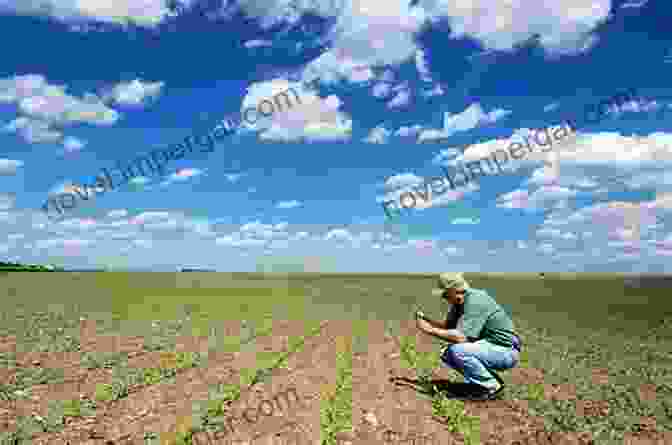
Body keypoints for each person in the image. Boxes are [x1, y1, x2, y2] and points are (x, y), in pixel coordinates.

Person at [415, 272, 522, 400]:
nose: (443, 297)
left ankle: (491, 387)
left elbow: (460, 337)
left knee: (458, 351)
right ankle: (487, 382)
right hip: (491, 346)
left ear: (454, 290)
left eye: (445, 294)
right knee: (448, 354)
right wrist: (426, 320)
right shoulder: (458, 303)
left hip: (505, 351)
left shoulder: (475, 300)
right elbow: (448, 327)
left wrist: (430, 330)